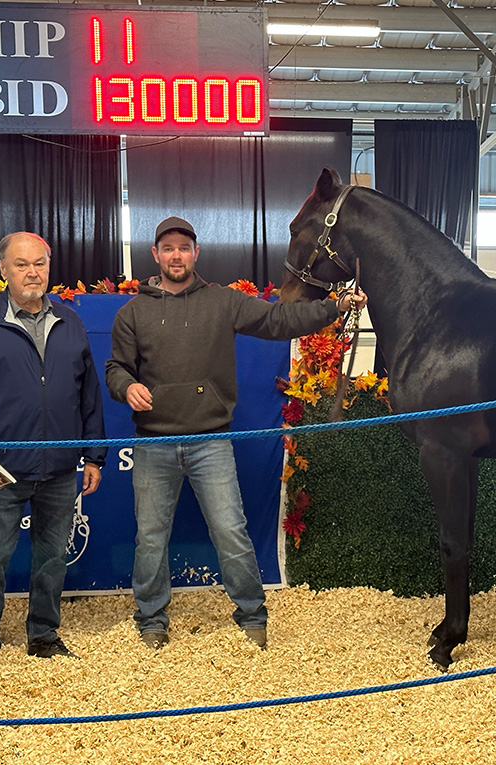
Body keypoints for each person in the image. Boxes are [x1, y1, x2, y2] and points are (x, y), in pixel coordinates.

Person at [105, 216, 366, 651]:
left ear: (196, 253)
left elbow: (279, 321)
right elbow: (116, 368)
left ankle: (252, 613)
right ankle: (151, 619)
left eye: (183, 248)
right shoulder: (133, 312)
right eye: (167, 248)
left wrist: (334, 307)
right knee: (150, 535)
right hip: (153, 443)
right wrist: (125, 386)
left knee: (230, 530)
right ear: (155, 255)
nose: (176, 255)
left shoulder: (223, 302)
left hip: (211, 440)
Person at [0, 231, 107, 678]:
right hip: (1, 471)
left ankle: (45, 636)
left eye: (40, 264)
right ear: (3, 271)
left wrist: (94, 455)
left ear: (50, 268)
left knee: (53, 556)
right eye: (21, 264)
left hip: (59, 470)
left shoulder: (70, 322)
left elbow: (89, 398)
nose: (33, 272)